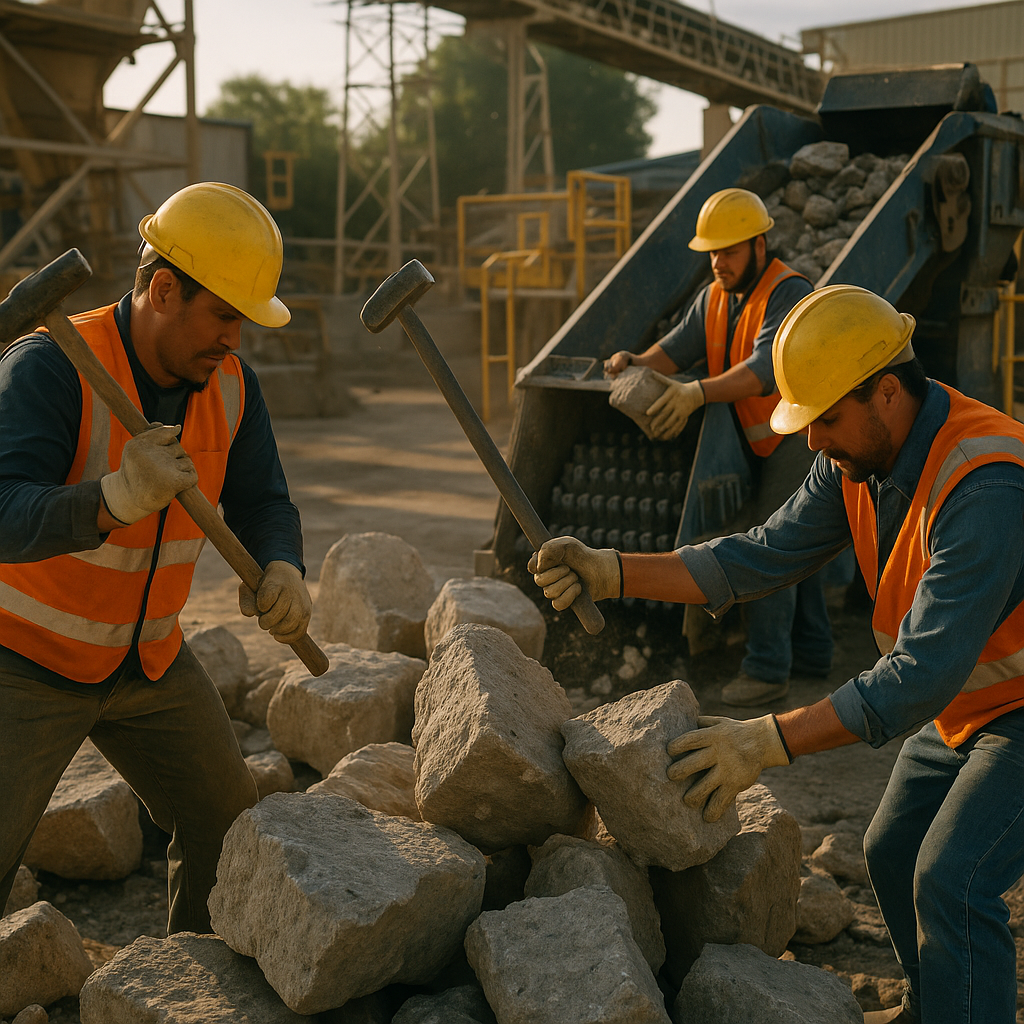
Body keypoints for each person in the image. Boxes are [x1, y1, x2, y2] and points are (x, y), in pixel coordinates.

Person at [532, 284, 1024, 1024]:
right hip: (966, 704)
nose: (811, 441)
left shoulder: (985, 486)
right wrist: (614, 568)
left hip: (1010, 711)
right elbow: (758, 556)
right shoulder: (860, 457)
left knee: (952, 880)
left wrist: (766, 741)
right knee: (892, 852)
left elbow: (916, 677)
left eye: (824, 420)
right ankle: (936, 1006)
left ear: (886, 393)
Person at [0, 182, 313, 935]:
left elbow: (265, 501)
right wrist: (109, 499)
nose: (235, 339)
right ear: (163, 289)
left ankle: (192, 983)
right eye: (225, 316)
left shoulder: (231, 386)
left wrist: (283, 566)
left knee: (224, 822)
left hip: (148, 663)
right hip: (25, 660)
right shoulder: (49, 367)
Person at [604, 186, 834, 707]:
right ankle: (815, 651)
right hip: (762, 439)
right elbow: (679, 346)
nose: (718, 262)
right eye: (712, 252)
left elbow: (762, 369)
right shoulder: (715, 296)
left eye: (728, 252)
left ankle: (768, 668)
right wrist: (634, 361)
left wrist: (695, 392)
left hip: (798, 437)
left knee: (776, 543)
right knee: (804, 540)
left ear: (759, 245)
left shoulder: (787, 292)